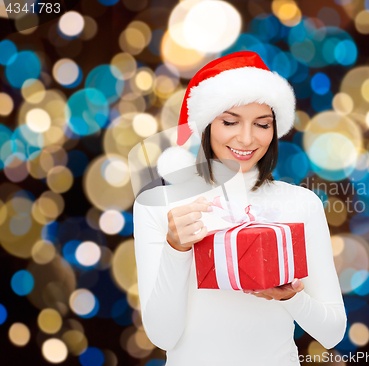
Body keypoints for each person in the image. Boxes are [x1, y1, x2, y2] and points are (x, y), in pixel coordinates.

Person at [132, 51, 347, 366]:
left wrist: (291, 297)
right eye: (230, 122)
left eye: (262, 124)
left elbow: (333, 333)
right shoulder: (160, 206)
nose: (246, 139)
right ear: (206, 124)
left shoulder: (301, 204)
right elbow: (163, 337)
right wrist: (175, 249)